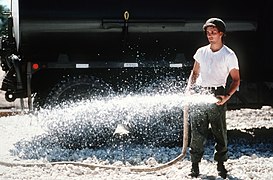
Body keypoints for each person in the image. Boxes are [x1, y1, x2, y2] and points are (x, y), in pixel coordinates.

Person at [185, 17, 240, 178]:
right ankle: (195, 166)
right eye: (208, 33)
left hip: (218, 94)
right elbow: (194, 73)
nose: (210, 35)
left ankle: (221, 165)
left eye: (213, 32)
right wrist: (189, 89)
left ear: (221, 33)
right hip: (201, 94)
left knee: (219, 132)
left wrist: (227, 96)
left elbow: (236, 79)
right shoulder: (201, 52)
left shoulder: (229, 55)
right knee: (197, 132)